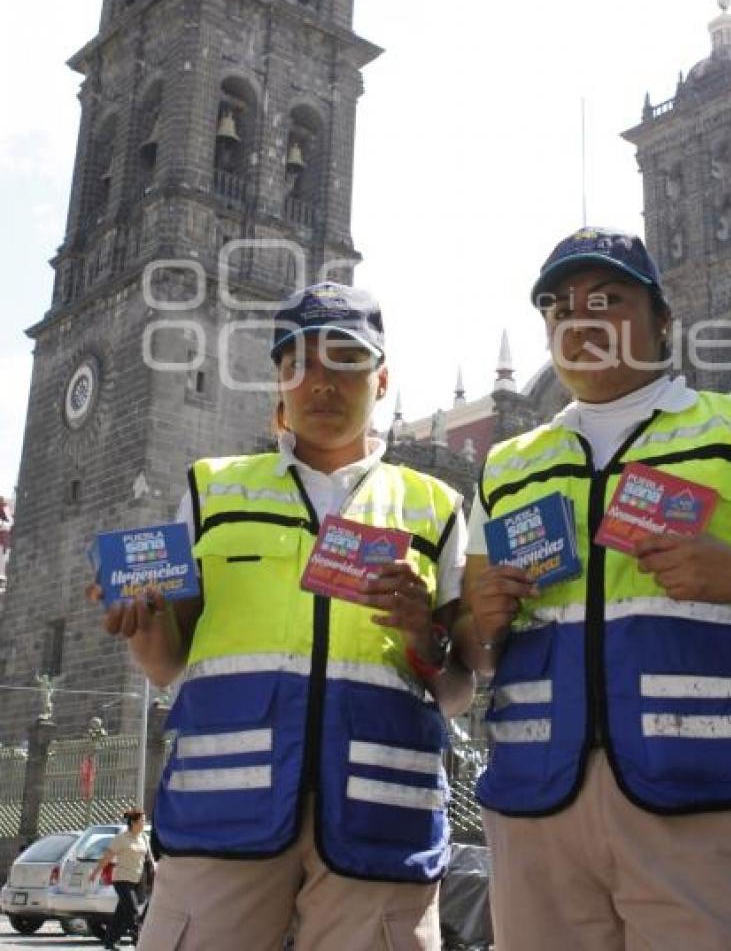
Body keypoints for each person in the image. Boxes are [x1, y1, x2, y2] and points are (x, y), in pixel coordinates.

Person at [454, 226, 731, 951]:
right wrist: (482, 621)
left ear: (662, 320)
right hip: (538, 810)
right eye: (561, 307)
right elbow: (476, 653)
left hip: (710, 802)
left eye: (606, 299)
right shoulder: (507, 466)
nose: (581, 319)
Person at [91, 282, 472, 951]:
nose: (322, 382)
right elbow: (167, 661)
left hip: (381, 820)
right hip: (223, 816)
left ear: (381, 380)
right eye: (300, 364)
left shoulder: (434, 505)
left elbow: (458, 688)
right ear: (278, 381)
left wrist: (423, 631)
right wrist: (145, 626)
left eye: (347, 362)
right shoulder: (213, 488)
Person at [89, 808, 150, 949]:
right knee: (132, 911)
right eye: (142, 820)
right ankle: (139, 941)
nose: (144, 823)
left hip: (137, 880)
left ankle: (110, 942)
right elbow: (107, 857)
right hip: (122, 880)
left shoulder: (144, 838)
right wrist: (95, 872)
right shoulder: (121, 838)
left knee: (120, 914)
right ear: (133, 822)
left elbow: (149, 859)